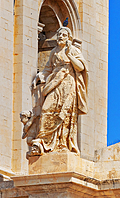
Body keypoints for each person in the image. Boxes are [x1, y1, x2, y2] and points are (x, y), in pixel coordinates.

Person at [30, 26, 88, 155]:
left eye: (64, 35)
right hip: (54, 83)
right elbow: (48, 69)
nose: (61, 37)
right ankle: (45, 140)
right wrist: (40, 76)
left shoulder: (73, 50)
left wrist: (69, 55)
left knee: (65, 113)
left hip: (68, 83)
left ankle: (63, 143)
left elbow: (80, 67)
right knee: (46, 109)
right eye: (59, 34)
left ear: (69, 38)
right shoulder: (54, 52)